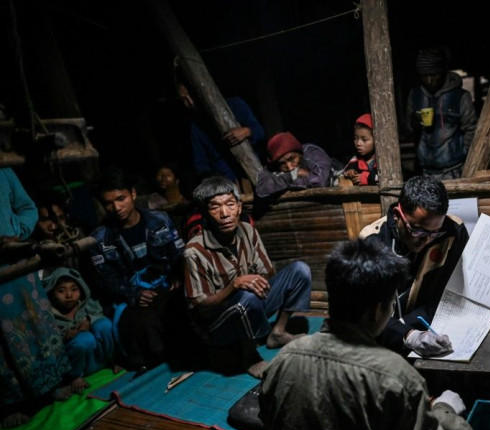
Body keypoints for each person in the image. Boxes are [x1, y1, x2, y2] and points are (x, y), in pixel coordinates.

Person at [259, 238, 476, 430]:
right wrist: (445, 411)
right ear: (378, 311)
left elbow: (271, 420)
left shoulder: (286, 357)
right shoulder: (397, 378)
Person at [183, 176, 312, 379]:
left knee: (300, 270)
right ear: (205, 214)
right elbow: (201, 306)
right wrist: (235, 285)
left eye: (230, 204)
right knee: (245, 293)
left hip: (250, 306)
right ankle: (249, 356)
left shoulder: (248, 230)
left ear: (239, 207)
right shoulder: (194, 251)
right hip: (218, 324)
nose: (225, 213)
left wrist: (252, 280)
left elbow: (267, 272)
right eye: (215, 207)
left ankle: (277, 332)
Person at [88, 167, 186, 373]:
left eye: (120, 198)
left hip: (166, 286)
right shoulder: (99, 239)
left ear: (133, 194)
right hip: (131, 299)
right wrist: (134, 294)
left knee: (183, 309)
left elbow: (179, 254)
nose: (116, 207)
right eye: (108, 202)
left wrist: (179, 276)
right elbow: (106, 280)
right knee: (144, 325)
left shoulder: (160, 220)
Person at [360, 175, 469, 357]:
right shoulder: (372, 242)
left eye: (435, 232)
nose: (426, 240)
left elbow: (450, 291)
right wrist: (408, 335)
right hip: (384, 339)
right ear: (397, 216)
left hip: (436, 325)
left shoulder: (452, 232)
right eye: (417, 230)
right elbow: (367, 314)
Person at [0, 168, 72, 428]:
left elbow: (27, 208)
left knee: (36, 324)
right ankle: (12, 403)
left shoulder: (4, 170)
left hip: (16, 258)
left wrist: (17, 233)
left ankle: (51, 383)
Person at [405, 46, 478, 180]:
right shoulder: (415, 96)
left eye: (434, 75)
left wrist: (463, 153)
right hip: (425, 172)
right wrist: (413, 122)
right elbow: (408, 129)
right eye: (424, 76)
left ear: (443, 72)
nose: (429, 81)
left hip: (455, 171)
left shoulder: (460, 96)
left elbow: (471, 129)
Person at [43, 267, 120, 392]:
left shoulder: (85, 304)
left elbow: (99, 314)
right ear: (51, 292)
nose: (69, 295)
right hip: (81, 363)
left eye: (74, 289)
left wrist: (89, 321)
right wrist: (64, 336)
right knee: (84, 340)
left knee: (105, 324)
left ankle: (114, 360)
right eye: (61, 291)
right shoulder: (49, 315)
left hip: (101, 357)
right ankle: (75, 377)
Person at [177, 81, 266, 183]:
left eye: (191, 95)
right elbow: (200, 162)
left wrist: (247, 131)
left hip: (256, 173)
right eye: (184, 99)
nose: (190, 102)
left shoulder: (236, 105)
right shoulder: (196, 127)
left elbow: (260, 132)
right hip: (227, 183)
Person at [255, 132, 333, 198]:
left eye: (291, 159)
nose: (289, 167)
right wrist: (292, 175)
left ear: (299, 153)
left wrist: (281, 186)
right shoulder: (273, 167)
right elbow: (261, 189)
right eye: (282, 163)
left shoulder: (312, 153)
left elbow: (320, 182)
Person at [342, 113, 378, 186]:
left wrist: (367, 178)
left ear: (376, 139)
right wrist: (349, 173)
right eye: (355, 138)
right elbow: (342, 176)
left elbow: (389, 180)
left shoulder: (384, 161)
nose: (358, 143)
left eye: (364, 139)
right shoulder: (354, 160)